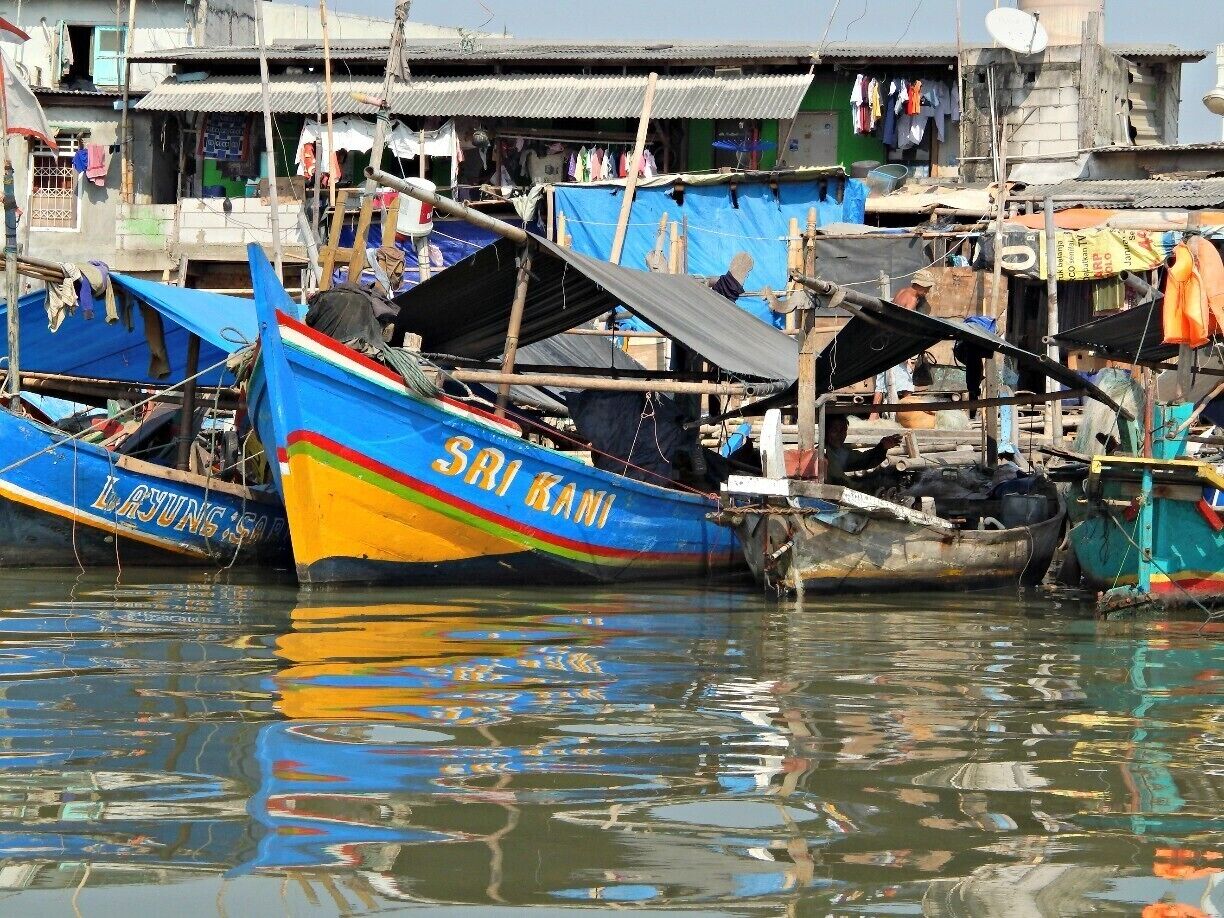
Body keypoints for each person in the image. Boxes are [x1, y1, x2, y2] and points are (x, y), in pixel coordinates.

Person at [823, 415, 902, 486]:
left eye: (843, 430)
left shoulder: (840, 451)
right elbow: (842, 481)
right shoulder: (824, 454)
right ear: (825, 432)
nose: (840, 435)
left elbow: (861, 460)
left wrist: (882, 447)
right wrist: (871, 487)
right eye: (834, 431)